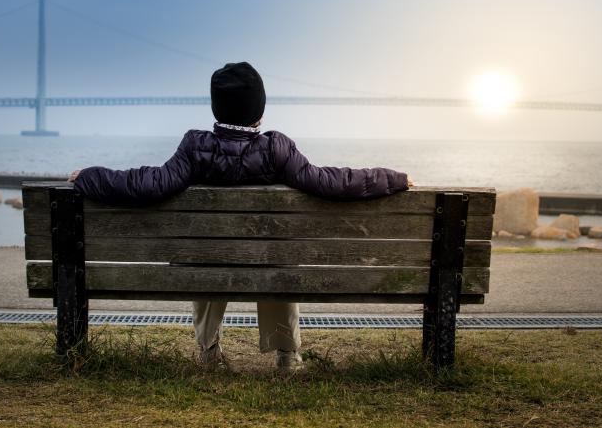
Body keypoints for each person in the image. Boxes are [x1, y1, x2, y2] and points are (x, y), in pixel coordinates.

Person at [68, 61, 412, 370]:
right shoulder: (277, 148)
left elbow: (146, 184)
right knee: (277, 260)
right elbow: (330, 182)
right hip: (267, 263)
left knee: (204, 256)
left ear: (217, 108)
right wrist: (393, 179)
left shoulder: (195, 146)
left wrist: (89, 177)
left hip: (209, 262)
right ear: (259, 110)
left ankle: (208, 352)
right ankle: (287, 355)